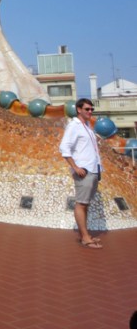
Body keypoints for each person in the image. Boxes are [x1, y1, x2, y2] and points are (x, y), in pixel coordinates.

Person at [59, 98, 103, 249]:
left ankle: (86, 234)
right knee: (81, 203)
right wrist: (76, 167)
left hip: (93, 169)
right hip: (84, 171)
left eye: (91, 109)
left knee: (86, 204)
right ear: (79, 109)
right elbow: (64, 148)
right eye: (87, 109)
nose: (90, 111)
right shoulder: (74, 126)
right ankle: (84, 237)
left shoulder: (88, 127)